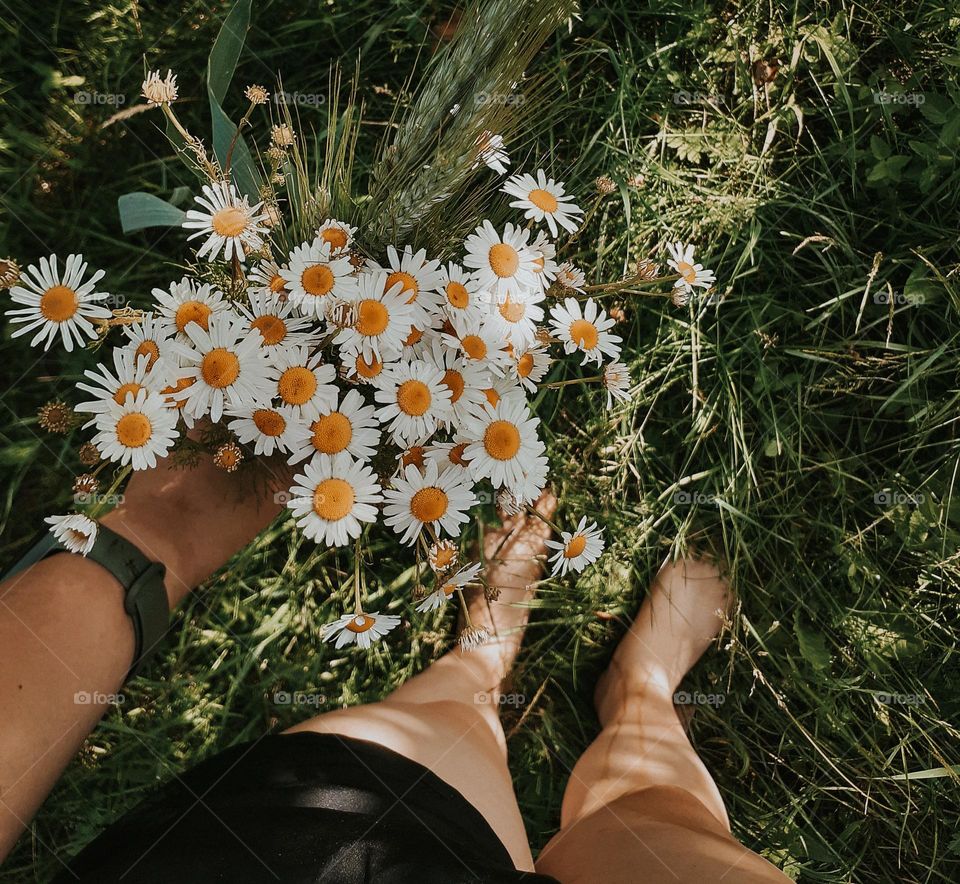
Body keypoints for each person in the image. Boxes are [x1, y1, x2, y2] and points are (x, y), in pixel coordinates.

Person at [0, 447, 790, 882]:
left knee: (439, 726)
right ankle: (641, 691)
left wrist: (156, 540)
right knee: (651, 824)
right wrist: (153, 543)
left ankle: (483, 660)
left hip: (285, 853)